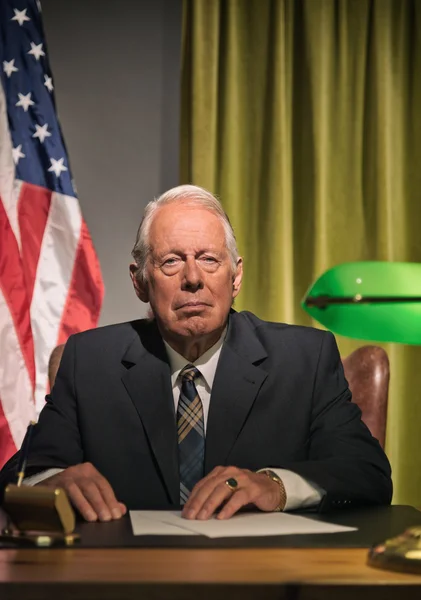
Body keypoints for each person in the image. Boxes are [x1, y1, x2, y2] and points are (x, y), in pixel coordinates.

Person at [0, 185, 392, 522]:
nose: (192, 278)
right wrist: (51, 481)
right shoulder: (90, 362)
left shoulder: (304, 359)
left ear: (235, 276)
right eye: (171, 261)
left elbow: (368, 473)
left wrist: (275, 485)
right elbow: (19, 476)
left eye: (209, 259)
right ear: (139, 282)